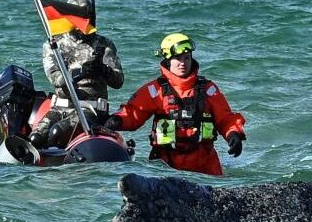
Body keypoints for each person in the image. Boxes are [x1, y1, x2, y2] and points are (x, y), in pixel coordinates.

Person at [104, 33, 245, 176]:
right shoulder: (155, 90)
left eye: (186, 58)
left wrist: (233, 134)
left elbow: (225, 118)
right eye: (177, 58)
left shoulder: (208, 89)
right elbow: (134, 113)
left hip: (206, 167)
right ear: (167, 60)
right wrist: (118, 119)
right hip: (165, 166)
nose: (183, 63)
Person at [30, 0, 125, 149]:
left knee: (56, 133)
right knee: (36, 138)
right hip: (60, 108)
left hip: (91, 110)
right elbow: (55, 77)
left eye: (88, 16)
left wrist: (102, 70)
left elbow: (118, 81)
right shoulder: (55, 44)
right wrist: (80, 73)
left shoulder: (104, 44)